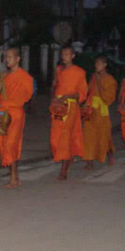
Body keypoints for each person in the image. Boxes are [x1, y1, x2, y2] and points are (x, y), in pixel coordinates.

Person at [0, 47, 34, 188]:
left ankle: (14, 178)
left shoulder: (25, 77)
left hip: (15, 114)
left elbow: (24, 99)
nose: (7, 59)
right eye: (6, 57)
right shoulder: (3, 76)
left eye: (10, 57)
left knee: (11, 144)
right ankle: (15, 176)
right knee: (4, 144)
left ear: (18, 59)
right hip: (2, 113)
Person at [49, 45, 87, 181]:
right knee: (54, 139)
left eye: (67, 54)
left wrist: (67, 97)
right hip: (58, 107)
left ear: (72, 56)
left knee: (65, 137)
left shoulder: (79, 72)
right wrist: (54, 98)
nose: (64, 56)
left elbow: (82, 93)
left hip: (70, 107)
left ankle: (63, 171)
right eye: (62, 54)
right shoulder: (59, 70)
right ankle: (68, 157)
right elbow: (55, 86)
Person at [82, 55, 117, 170]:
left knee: (103, 135)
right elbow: (87, 90)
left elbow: (109, 98)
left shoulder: (110, 80)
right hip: (91, 109)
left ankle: (110, 153)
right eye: (96, 64)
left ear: (105, 65)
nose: (96, 66)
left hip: (102, 110)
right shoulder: (93, 77)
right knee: (88, 136)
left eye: (99, 64)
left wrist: (99, 83)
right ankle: (89, 162)